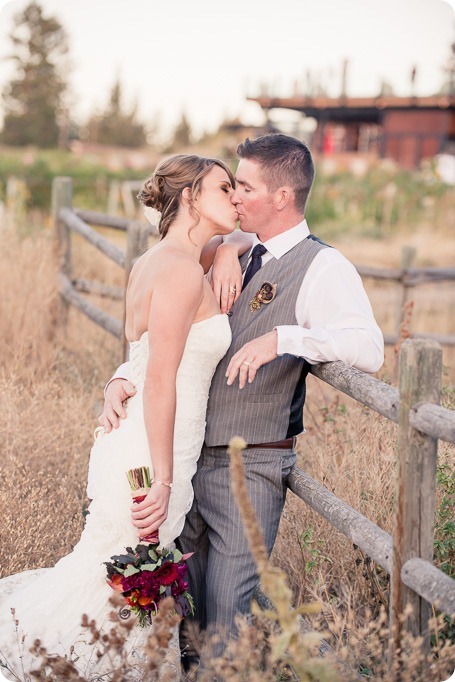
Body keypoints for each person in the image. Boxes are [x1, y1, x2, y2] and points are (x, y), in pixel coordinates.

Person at [101, 133, 384, 673]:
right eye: (228, 187)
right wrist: (120, 377)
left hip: (248, 465)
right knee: (177, 613)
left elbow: (369, 347)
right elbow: (167, 346)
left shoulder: (323, 266)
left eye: (245, 187)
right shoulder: (225, 252)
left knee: (228, 613)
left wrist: (285, 339)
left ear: (281, 197)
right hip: (183, 460)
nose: (234, 198)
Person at [0, 153, 248, 681]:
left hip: (141, 436)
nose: (237, 198)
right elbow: (158, 376)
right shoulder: (182, 271)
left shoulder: (159, 260)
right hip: (151, 449)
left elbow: (136, 351)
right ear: (190, 197)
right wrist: (163, 478)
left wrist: (226, 246)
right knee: (131, 564)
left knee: (123, 565)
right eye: (225, 189)